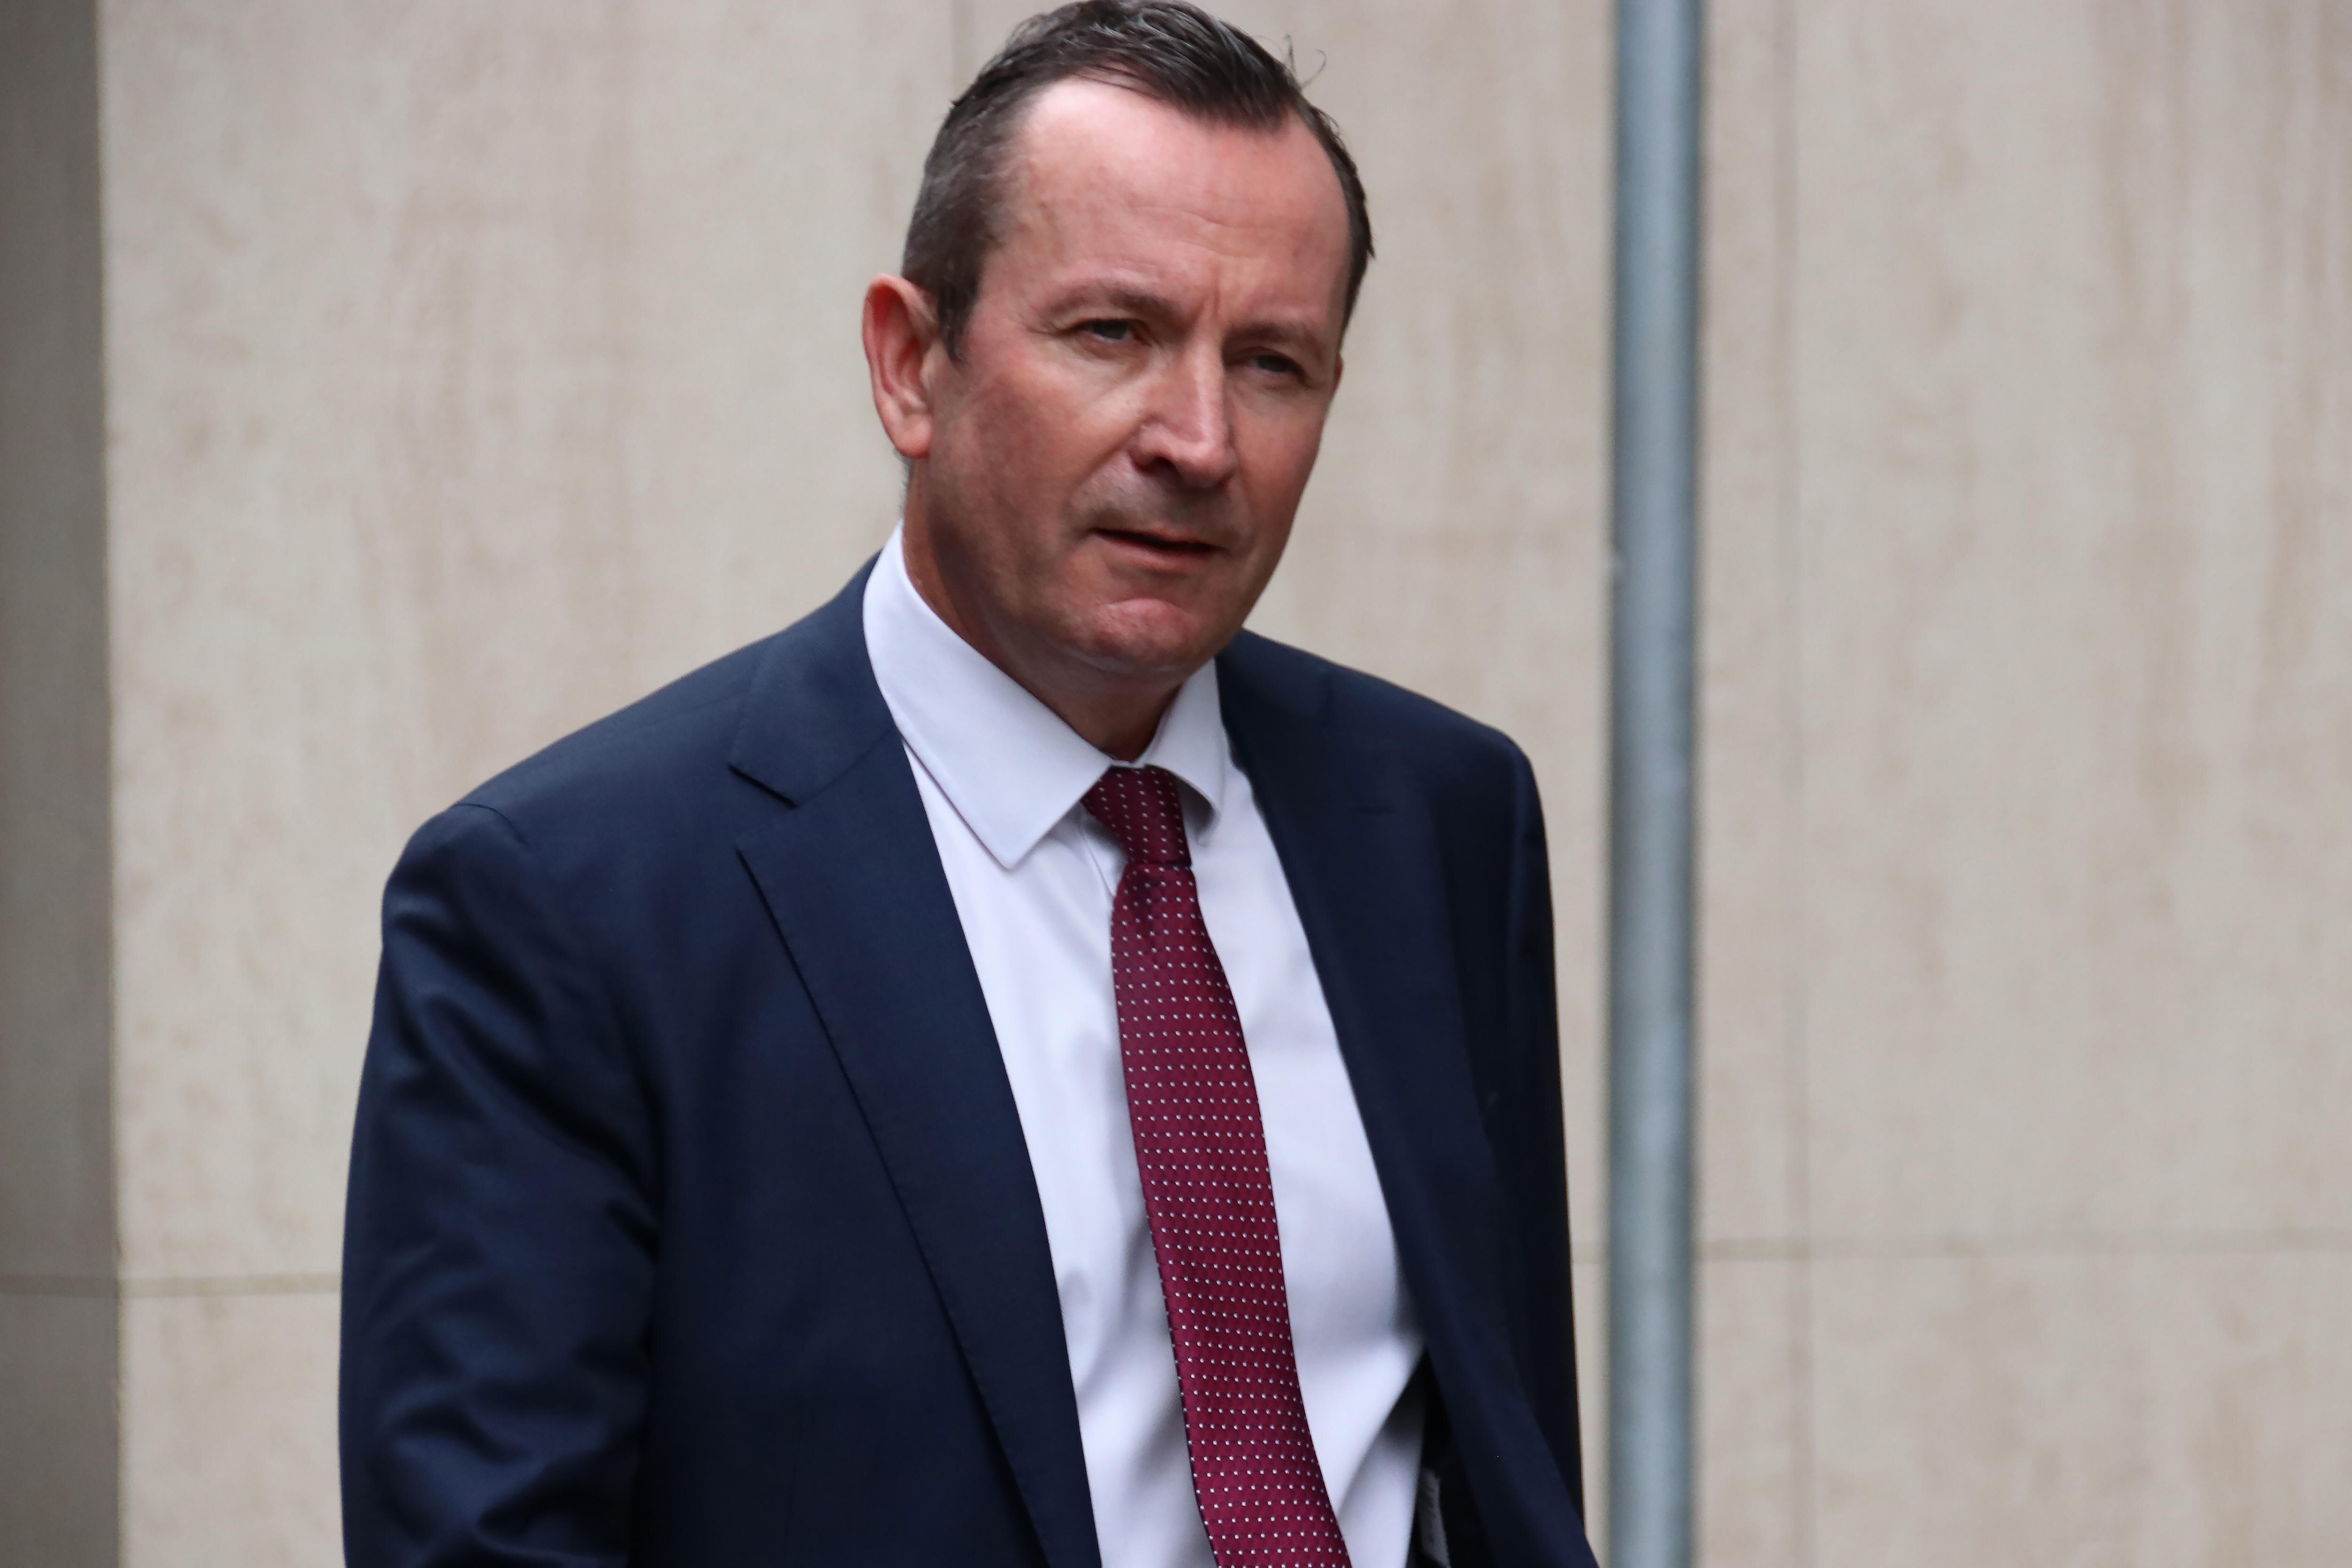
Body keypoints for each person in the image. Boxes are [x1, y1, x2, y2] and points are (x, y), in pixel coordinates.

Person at [339, 4, 1597, 1565]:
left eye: (1271, 362)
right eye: (1112, 333)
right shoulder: (570, 908)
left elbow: (1503, 1460)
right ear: (908, 366)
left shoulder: (1440, 819)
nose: (1200, 440)